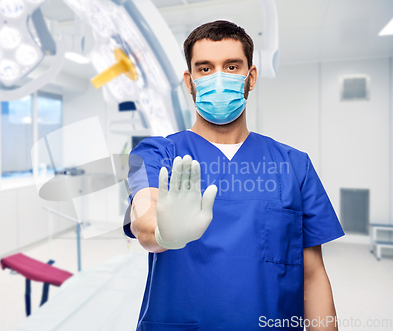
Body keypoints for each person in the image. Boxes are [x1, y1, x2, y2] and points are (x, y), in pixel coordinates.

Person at [123, 20, 345, 330]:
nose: (218, 79)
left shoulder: (295, 164)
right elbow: (143, 215)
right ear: (189, 81)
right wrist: (162, 233)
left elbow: (313, 275)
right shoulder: (154, 154)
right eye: (204, 69)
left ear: (250, 77)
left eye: (231, 66)